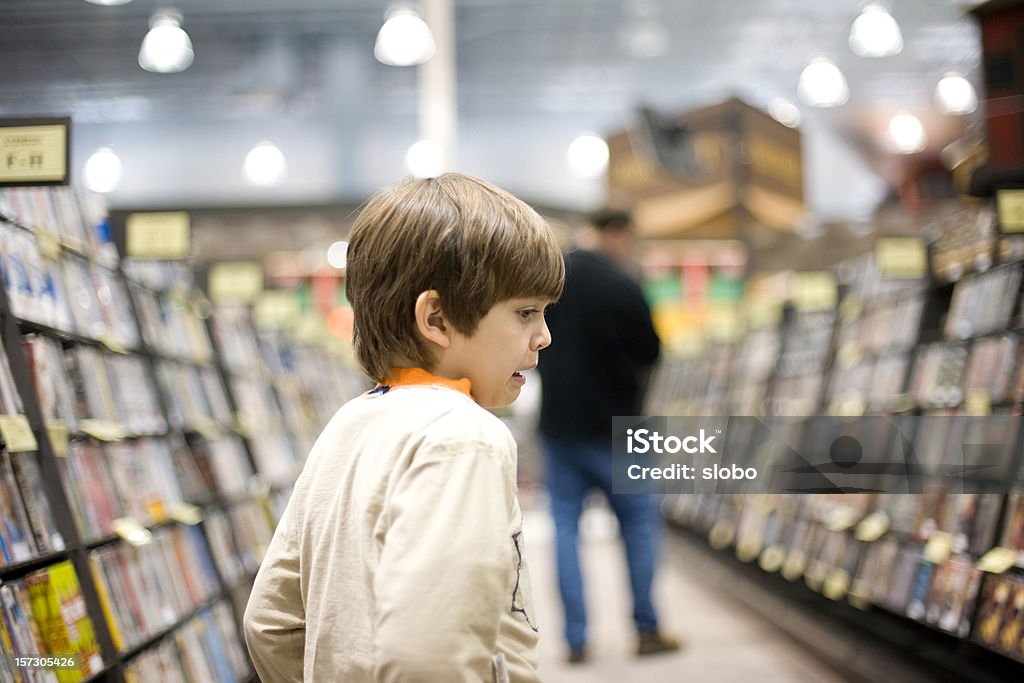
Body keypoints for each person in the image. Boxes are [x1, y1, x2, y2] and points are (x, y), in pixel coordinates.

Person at [243, 173, 565, 682]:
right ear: (436, 318)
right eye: (525, 312)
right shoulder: (466, 439)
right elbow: (427, 659)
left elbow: (271, 621)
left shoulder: (348, 424)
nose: (543, 336)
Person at [537, 207, 678, 663]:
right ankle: (647, 629)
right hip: (622, 428)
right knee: (637, 527)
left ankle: (575, 640)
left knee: (564, 529)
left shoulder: (552, 283)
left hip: (560, 427)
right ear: (618, 234)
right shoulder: (624, 285)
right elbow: (651, 352)